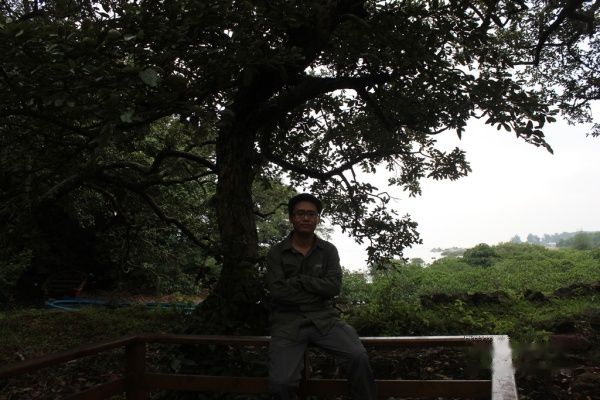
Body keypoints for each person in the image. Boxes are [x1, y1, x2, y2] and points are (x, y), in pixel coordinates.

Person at [266, 193, 376, 400]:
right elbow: (278, 291)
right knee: (281, 383)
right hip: (287, 323)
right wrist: (317, 291)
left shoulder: (328, 250)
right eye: (300, 213)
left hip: (325, 319)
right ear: (291, 218)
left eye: (311, 214)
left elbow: (333, 287)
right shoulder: (276, 253)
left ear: (317, 218)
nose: (306, 218)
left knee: (358, 357)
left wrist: (300, 281)